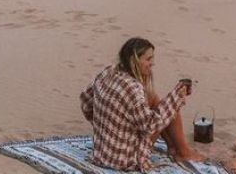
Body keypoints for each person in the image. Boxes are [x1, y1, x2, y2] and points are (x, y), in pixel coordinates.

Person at [80, 37, 202, 172]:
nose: (152, 63)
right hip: (125, 160)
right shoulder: (133, 88)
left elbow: (85, 101)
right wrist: (177, 97)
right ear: (134, 61)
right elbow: (150, 126)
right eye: (148, 59)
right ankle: (183, 152)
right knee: (170, 106)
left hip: (101, 153)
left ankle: (173, 147)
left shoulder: (108, 71)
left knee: (154, 98)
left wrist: (107, 125)